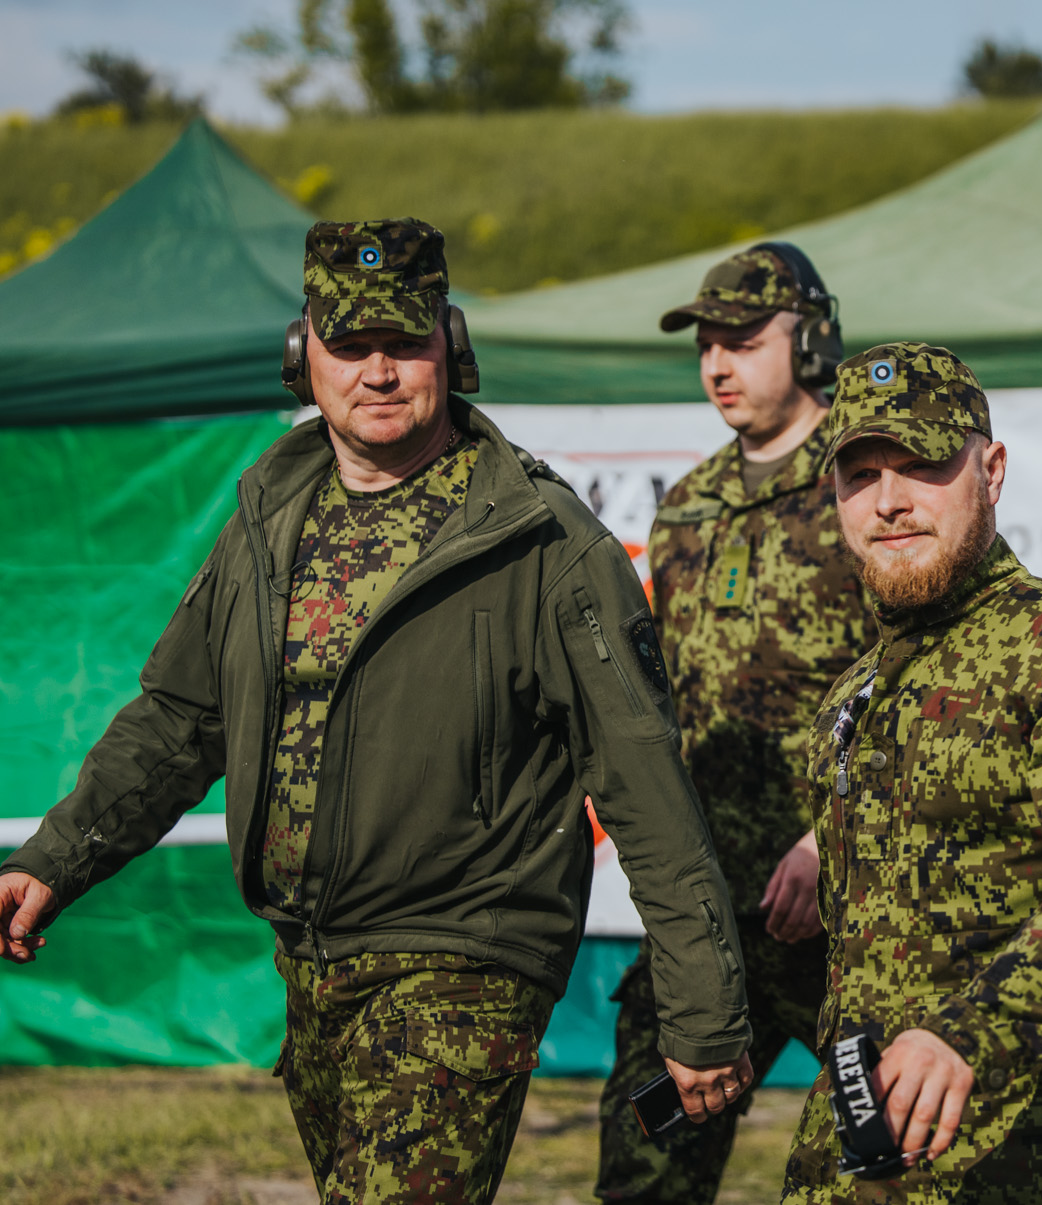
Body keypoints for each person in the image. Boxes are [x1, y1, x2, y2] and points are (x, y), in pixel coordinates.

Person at [0, 220, 753, 1205]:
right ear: (301, 353)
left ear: (452, 344)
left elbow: (642, 779)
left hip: (466, 959)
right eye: (350, 346)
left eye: (405, 343)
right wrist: (56, 858)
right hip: (313, 959)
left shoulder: (542, 542)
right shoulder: (269, 518)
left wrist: (700, 1010)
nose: (380, 372)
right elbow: (182, 718)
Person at [779, 343, 1042, 1204]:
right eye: (861, 474)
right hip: (860, 1163)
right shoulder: (855, 692)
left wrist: (969, 1034)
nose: (890, 501)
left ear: (990, 470)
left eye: (922, 465)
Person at [596, 243, 876, 1203]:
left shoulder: (871, 484)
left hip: (849, 909)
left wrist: (827, 836)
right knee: (647, 1158)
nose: (718, 363)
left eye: (745, 340)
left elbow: (928, 690)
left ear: (812, 340)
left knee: (889, 1163)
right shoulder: (688, 508)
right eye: (708, 343)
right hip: (711, 917)